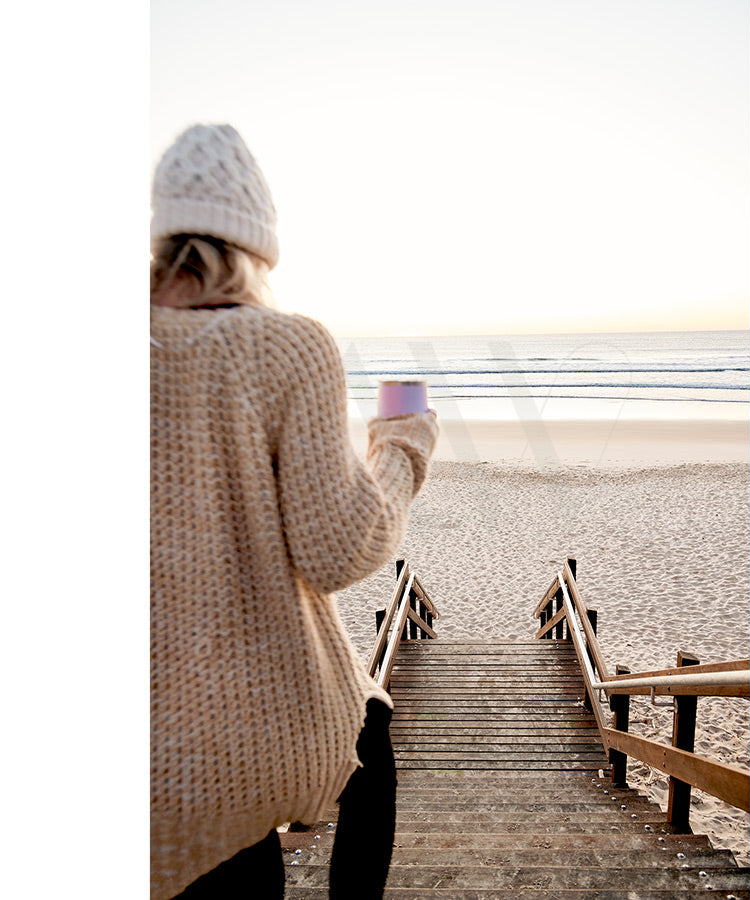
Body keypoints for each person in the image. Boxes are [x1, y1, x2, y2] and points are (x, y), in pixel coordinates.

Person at [150, 123, 439, 900]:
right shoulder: (285, 347)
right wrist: (402, 445)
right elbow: (338, 548)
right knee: (368, 744)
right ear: (256, 245)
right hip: (239, 743)